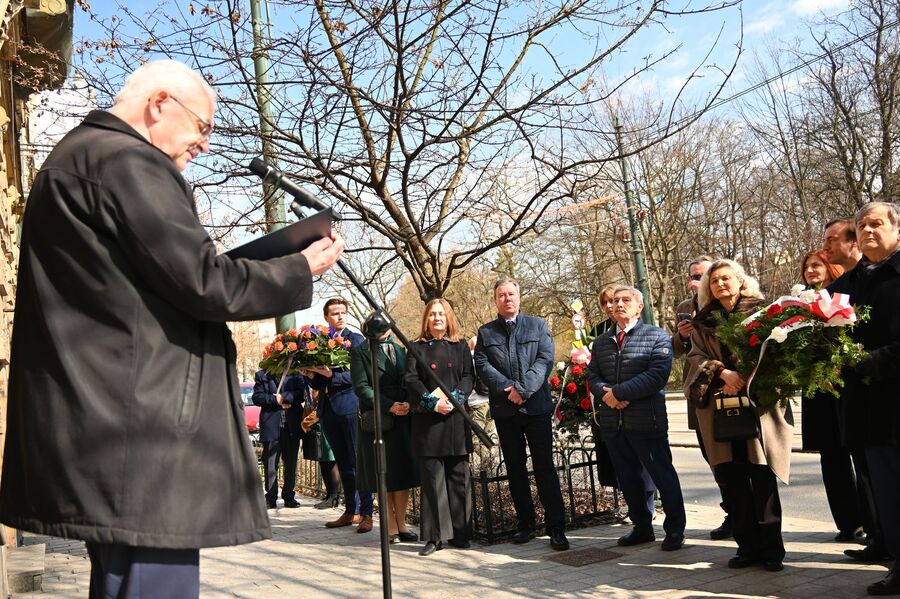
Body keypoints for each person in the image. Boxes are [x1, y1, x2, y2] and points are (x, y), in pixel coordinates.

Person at [0, 60, 344, 597]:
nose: (204, 146)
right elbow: (204, 281)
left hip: (110, 431)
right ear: (160, 104)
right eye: (203, 127)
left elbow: (155, 282)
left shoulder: (76, 159)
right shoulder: (130, 162)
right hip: (146, 437)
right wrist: (300, 267)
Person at [686, 259, 793, 572]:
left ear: (740, 281)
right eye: (715, 280)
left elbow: (778, 352)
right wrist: (722, 372)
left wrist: (747, 375)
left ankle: (772, 550)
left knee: (762, 479)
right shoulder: (703, 321)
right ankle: (747, 548)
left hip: (758, 407)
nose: (721, 284)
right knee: (732, 481)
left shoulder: (764, 312)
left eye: (726, 278)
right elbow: (694, 358)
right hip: (719, 408)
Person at [828, 202, 900, 596]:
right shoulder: (846, 286)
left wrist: (865, 363)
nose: (867, 230)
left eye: (876, 224)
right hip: (865, 408)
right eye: (862, 225)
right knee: (886, 493)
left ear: (896, 230)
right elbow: (819, 329)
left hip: (894, 396)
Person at [586, 286, 686, 551]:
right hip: (613, 423)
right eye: (615, 300)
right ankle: (641, 527)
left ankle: (675, 529)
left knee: (662, 476)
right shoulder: (601, 341)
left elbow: (656, 376)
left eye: (626, 300)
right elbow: (592, 376)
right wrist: (608, 395)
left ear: (639, 307)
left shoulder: (656, 337)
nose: (619, 304)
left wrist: (618, 392)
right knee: (628, 479)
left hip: (646, 421)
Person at [474, 276, 570, 551]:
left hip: (536, 408)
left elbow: (544, 360)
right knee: (515, 469)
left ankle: (556, 527)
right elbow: (482, 364)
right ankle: (525, 524)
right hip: (506, 411)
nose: (507, 299)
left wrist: (523, 389)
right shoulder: (486, 332)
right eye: (501, 295)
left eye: (511, 294)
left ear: (519, 297)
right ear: (496, 300)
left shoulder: (538, 325)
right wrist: (507, 388)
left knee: (544, 467)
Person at [799, 251, 869, 543]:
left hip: (845, 383)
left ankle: (872, 522)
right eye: (806, 267)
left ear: (831, 267)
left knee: (860, 455)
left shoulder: (846, 292)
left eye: (816, 265)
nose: (810, 271)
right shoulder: (798, 302)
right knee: (831, 456)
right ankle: (847, 521)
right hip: (817, 388)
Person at [405, 298, 475, 556]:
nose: (437, 318)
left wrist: (456, 399)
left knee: (459, 478)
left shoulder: (460, 346)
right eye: (432, 314)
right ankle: (436, 537)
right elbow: (411, 379)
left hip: (456, 418)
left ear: (448, 318)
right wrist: (433, 401)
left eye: (441, 314)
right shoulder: (415, 347)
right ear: (426, 318)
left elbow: (469, 376)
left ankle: (461, 533)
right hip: (429, 421)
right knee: (433, 481)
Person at [673, 255, 731, 540]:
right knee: (712, 457)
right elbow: (676, 350)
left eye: (703, 275)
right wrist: (683, 337)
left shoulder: (724, 305)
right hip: (698, 390)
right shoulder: (685, 307)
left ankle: (748, 514)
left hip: (728, 387)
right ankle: (731, 512)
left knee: (738, 457)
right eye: (693, 276)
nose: (697, 281)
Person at [305, 298, 371, 530]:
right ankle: (350, 510)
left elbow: (360, 374)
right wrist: (311, 373)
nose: (340, 316)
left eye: (343, 312)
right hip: (328, 409)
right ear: (326, 318)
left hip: (350, 406)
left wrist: (331, 375)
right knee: (342, 463)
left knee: (357, 461)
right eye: (334, 313)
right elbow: (316, 381)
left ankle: (366, 513)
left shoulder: (356, 340)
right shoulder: (319, 341)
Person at [350, 327, 420, 542]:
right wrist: (389, 405)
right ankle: (389, 526)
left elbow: (411, 379)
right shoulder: (361, 351)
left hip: (402, 417)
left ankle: (402, 524)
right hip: (379, 419)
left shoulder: (401, 349)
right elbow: (361, 387)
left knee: (402, 473)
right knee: (384, 473)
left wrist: (408, 401)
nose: (383, 328)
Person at [252, 369, 308, 509]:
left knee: (291, 463)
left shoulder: (296, 373)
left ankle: (289, 496)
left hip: (291, 425)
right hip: (271, 425)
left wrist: (283, 397)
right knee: (270, 464)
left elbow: (301, 394)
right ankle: (270, 497)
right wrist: (275, 400)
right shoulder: (262, 375)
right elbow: (257, 397)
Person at [300, 392, 342, 509]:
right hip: (316, 425)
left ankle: (334, 496)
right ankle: (329, 496)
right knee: (323, 462)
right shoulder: (309, 383)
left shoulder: (320, 383)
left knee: (330, 461)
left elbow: (321, 406)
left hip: (325, 424)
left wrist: (305, 422)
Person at [467, 335, 497, 466]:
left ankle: (488, 458)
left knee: (475, 437)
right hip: (491, 401)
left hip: (476, 402)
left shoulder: (469, 359)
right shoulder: (489, 358)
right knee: (491, 434)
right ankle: (494, 462)